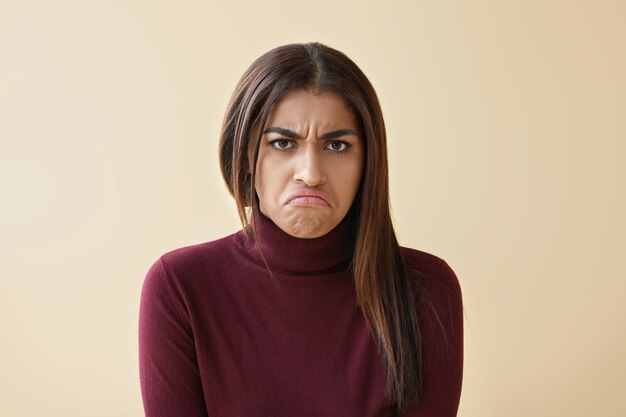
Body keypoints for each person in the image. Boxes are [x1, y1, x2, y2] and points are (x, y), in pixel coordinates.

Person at [138, 42, 463, 417]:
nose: (310, 173)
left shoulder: (426, 290)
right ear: (244, 156)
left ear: (368, 163)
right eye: (282, 143)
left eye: (337, 145)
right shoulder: (179, 287)